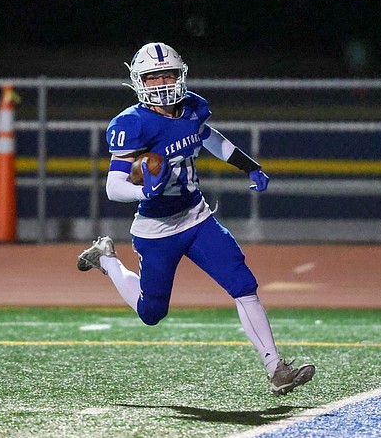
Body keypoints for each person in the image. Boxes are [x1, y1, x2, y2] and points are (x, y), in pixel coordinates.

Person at [76, 42, 314, 396]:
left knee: (242, 283)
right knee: (151, 312)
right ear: (139, 81)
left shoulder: (192, 108)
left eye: (168, 74)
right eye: (153, 76)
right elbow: (114, 186)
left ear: (180, 75)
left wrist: (248, 164)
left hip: (197, 217)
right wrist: (145, 192)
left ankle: (275, 367)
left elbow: (207, 138)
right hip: (156, 230)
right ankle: (107, 260)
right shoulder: (131, 124)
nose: (162, 82)